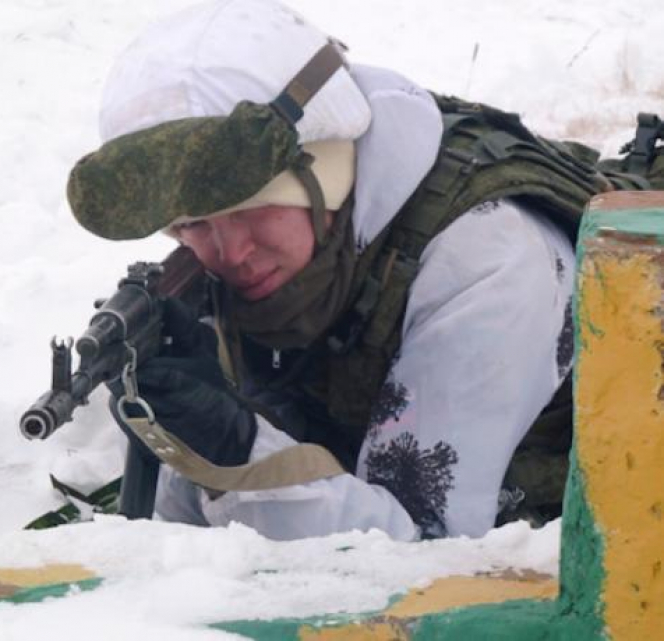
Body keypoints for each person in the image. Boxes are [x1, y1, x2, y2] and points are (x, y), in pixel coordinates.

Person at [65, 0, 659, 541]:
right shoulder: (274, 251)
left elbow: (418, 560)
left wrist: (235, 451)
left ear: (325, 178)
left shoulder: (487, 261)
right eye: (189, 226)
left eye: (251, 211)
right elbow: (189, 543)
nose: (229, 253)